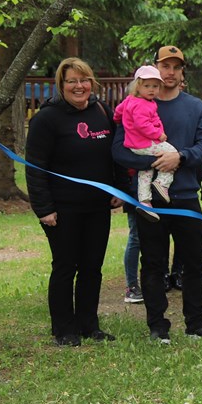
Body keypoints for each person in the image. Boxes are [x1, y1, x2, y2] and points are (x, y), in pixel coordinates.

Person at [113, 45, 202, 344]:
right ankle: (157, 326)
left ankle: (196, 322)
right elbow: (119, 150)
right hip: (149, 198)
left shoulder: (195, 106)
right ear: (155, 69)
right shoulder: (136, 105)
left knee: (194, 261)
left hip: (185, 196)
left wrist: (181, 158)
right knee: (152, 263)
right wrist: (151, 162)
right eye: (165, 66)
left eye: (176, 67)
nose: (170, 72)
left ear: (182, 71)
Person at [27, 57, 120, 346]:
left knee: (92, 267)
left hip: (97, 207)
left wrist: (119, 189)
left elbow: (115, 155)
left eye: (84, 80)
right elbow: (35, 166)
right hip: (62, 210)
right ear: (61, 85)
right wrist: (44, 209)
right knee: (66, 266)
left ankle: (88, 324)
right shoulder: (47, 118)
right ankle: (63, 329)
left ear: (92, 83)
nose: (79, 86)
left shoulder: (103, 112)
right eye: (72, 81)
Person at [115, 65, 177, 212]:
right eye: (147, 86)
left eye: (155, 86)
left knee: (145, 170)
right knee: (172, 153)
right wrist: (158, 134)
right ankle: (162, 182)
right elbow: (142, 124)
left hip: (134, 145)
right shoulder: (142, 104)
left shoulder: (129, 100)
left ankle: (144, 201)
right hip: (145, 143)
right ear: (138, 86)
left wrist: (118, 119)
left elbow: (117, 112)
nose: (151, 89)